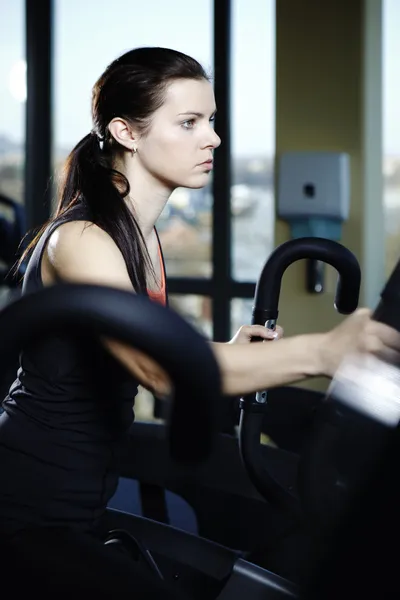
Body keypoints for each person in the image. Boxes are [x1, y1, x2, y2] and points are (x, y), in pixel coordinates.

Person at [0, 46, 399, 597]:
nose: (211, 137)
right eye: (188, 122)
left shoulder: (141, 236)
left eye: (210, 120)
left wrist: (233, 350)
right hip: (26, 508)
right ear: (126, 132)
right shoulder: (84, 239)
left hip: (79, 501)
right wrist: (325, 353)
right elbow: (161, 372)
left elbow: (153, 350)